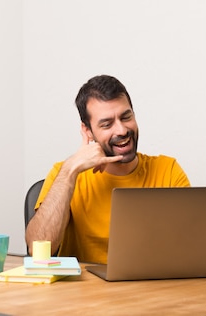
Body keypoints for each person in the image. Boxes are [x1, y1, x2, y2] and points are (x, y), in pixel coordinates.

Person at [25, 75, 190, 264]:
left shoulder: (168, 171)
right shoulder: (64, 173)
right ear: (87, 131)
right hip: (81, 292)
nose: (121, 130)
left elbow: (190, 247)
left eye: (126, 117)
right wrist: (70, 170)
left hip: (149, 291)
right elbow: (37, 248)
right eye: (107, 124)